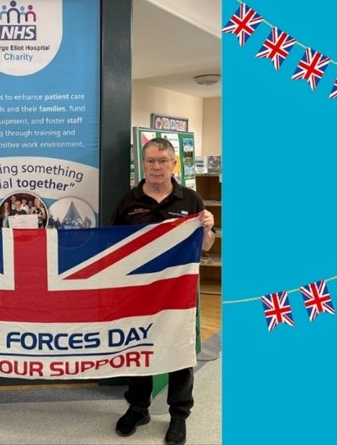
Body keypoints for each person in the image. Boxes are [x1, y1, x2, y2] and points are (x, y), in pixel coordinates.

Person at [111, 137, 214, 445]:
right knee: (138, 348)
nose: (157, 167)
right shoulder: (127, 202)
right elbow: (112, 248)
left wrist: (208, 229)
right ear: (143, 164)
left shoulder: (191, 200)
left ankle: (178, 415)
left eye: (163, 161)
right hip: (139, 291)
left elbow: (205, 246)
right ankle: (138, 408)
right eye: (151, 161)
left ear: (174, 164)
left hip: (177, 293)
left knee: (178, 350)